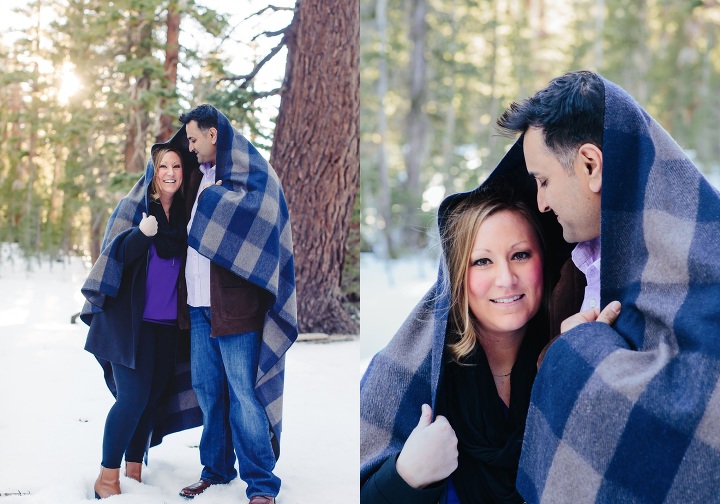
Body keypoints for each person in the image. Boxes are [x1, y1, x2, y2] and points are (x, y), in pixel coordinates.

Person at [497, 70, 720, 501]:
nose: (540, 201)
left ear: (590, 165)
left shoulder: (693, 247)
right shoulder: (584, 258)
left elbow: (703, 411)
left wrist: (579, 350)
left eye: (543, 181)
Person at [361, 147, 571, 503]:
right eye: (482, 262)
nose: (506, 279)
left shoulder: (568, 354)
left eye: (520, 255)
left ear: (544, 262)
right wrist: (406, 476)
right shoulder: (404, 373)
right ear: (455, 278)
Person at [175, 104, 297, 504]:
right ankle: (216, 469)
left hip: (235, 306)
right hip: (197, 305)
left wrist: (214, 202)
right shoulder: (196, 178)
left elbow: (265, 219)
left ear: (213, 134)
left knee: (245, 394)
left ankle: (261, 485)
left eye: (194, 138)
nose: (190, 147)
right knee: (208, 391)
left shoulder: (249, 176)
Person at [81, 146, 191, 499]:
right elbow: (115, 255)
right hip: (129, 324)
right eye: (164, 166)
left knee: (152, 399)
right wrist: (141, 234)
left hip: (166, 326)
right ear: (154, 171)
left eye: (176, 166)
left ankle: (134, 470)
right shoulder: (138, 207)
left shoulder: (185, 217)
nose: (171, 172)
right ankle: (107, 477)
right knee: (131, 398)